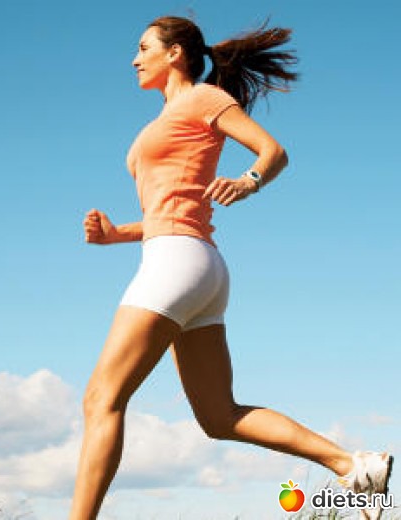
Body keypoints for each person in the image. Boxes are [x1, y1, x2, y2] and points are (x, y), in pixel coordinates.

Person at [70, 15, 393, 520]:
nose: (134, 60)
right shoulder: (168, 117)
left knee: (101, 398)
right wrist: (115, 235)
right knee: (219, 416)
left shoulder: (203, 98)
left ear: (175, 53)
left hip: (177, 263)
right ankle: (354, 466)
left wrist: (248, 181)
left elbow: (273, 151)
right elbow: (171, 212)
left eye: (143, 48)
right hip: (191, 262)